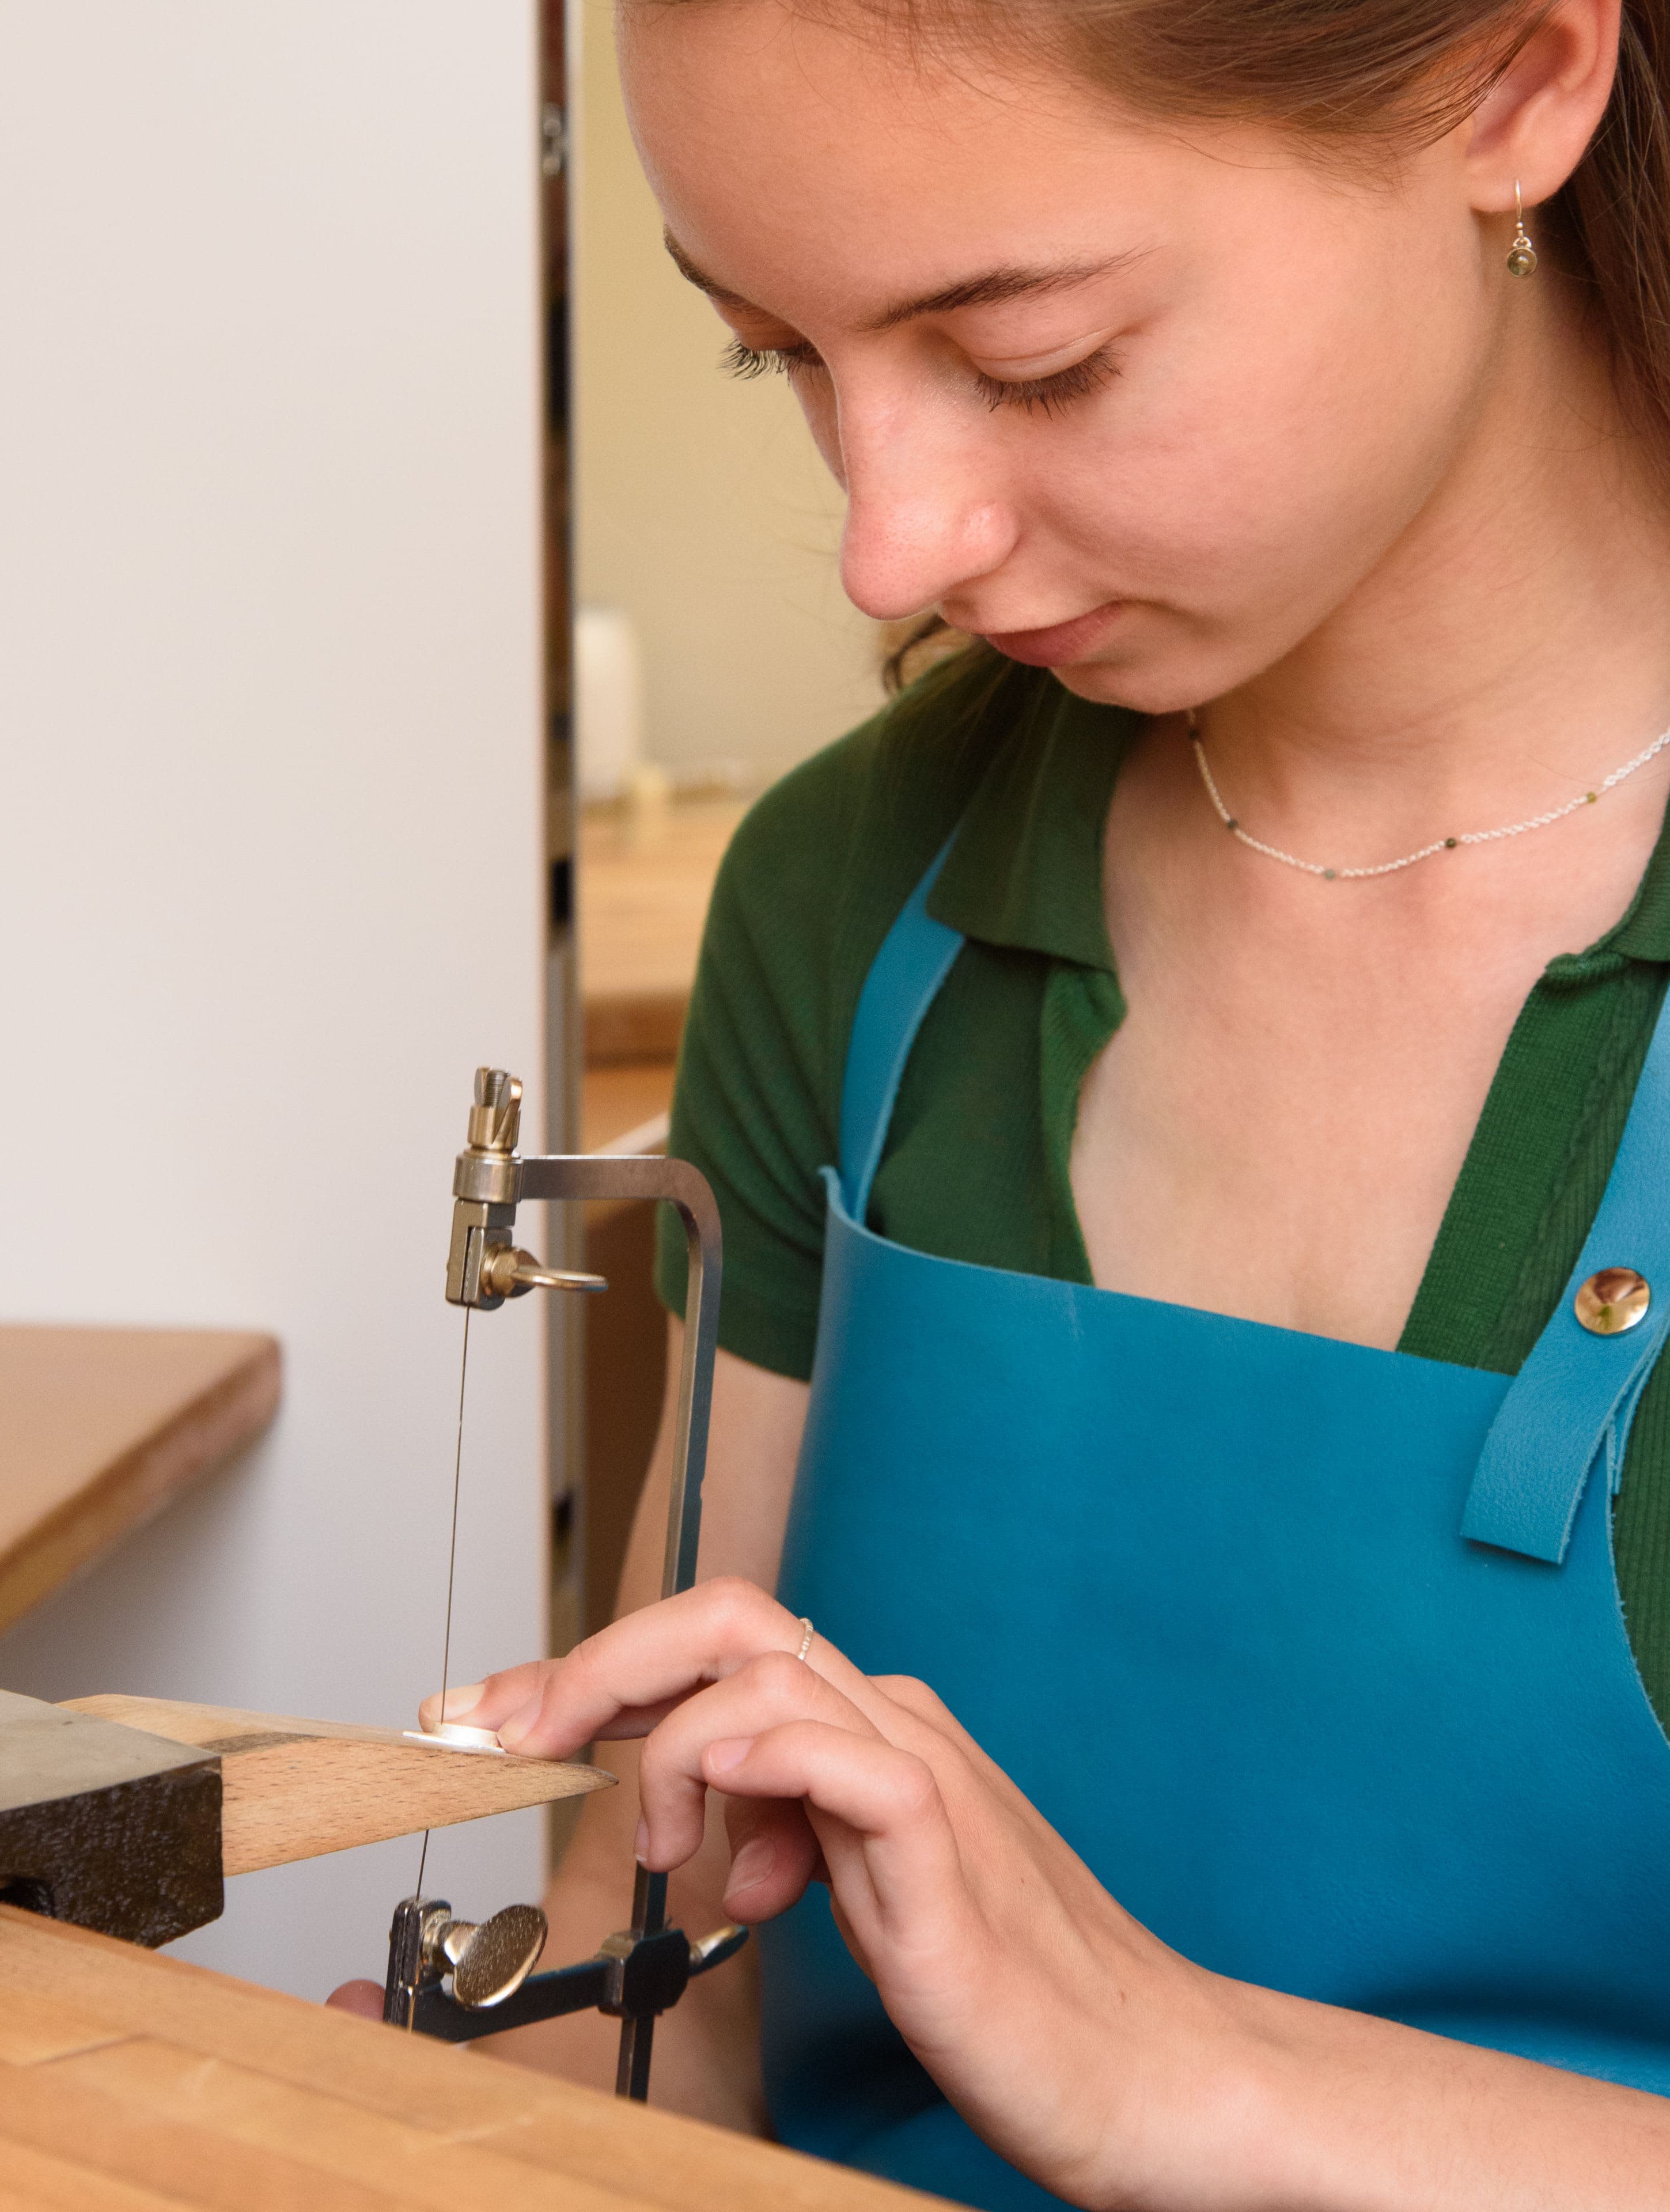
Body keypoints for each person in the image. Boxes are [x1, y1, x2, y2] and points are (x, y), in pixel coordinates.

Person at [338, 0, 1670, 2200]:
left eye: (1036, 360)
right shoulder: (852, 885)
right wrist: (445, 2138)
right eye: (775, 354)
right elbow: (665, 1984)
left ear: (1514, 83)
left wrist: (1187, 2079)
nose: (889, 548)